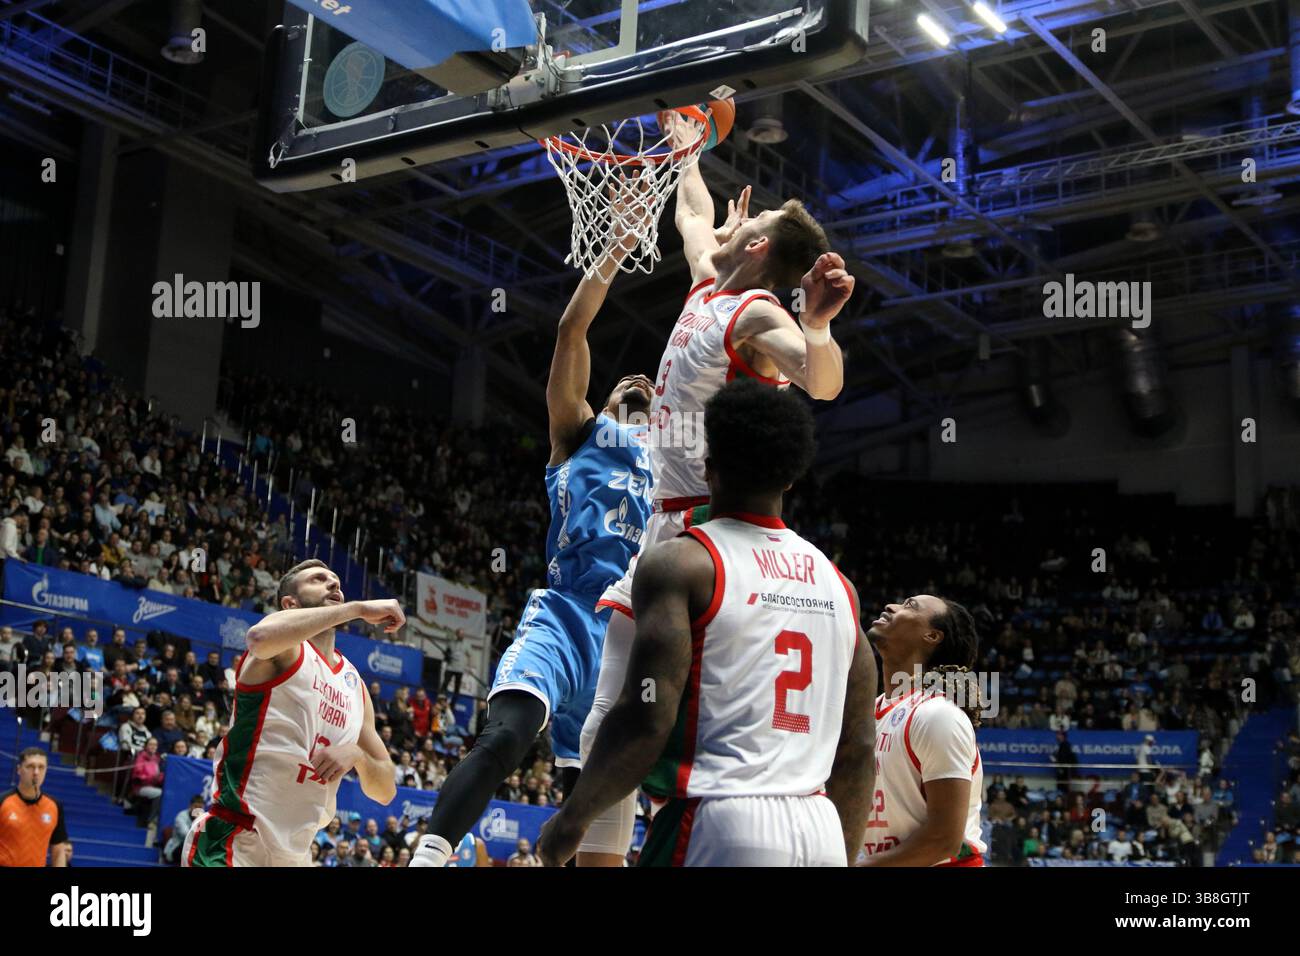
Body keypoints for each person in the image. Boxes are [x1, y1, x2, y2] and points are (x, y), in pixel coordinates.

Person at [576, 119, 855, 865]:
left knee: (649, 721)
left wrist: (819, 328)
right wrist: (687, 145)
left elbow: (819, 382)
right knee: (606, 719)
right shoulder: (707, 283)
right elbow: (692, 214)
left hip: (714, 533)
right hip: (662, 527)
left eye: (753, 219)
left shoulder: (756, 313)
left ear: (759, 248)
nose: (738, 217)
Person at [540, 381, 875, 866]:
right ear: (789, 480)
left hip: (721, 820)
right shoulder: (840, 587)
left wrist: (572, 818)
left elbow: (646, 714)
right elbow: (860, 744)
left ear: (708, 469)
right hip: (819, 827)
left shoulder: (683, 563)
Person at [409, 207, 655, 869]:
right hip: (567, 614)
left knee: (591, 806)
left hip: (626, 642)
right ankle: (429, 858)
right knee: (506, 736)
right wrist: (615, 250)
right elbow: (572, 328)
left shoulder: (672, 472)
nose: (640, 384)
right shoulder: (576, 433)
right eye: (626, 385)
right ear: (602, 405)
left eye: (652, 391)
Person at [182, 560, 401, 866]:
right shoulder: (284, 651)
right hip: (236, 841)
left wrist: (358, 756)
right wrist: (357, 609)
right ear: (290, 603)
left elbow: (385, 790)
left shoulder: (355, 686)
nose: (333, 584)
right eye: (319, 579)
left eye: (336, 579)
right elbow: (258, 638)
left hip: (297, 855)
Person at [857, 589, 988, 867]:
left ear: (932, 636)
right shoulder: (867, 712)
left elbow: (943, 839)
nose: (891, 606)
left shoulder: (937, 715)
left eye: (910, 605)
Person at [0, 748, 71, 866]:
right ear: (19, 769)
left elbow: (58, 851)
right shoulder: (3, 802)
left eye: (41, 767)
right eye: (30, 766)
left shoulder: (54, 806)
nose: (36, 772)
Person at [164, 795, 205, 865]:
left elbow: (204, 838)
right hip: (176, 849)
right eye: (195, 807)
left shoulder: (203, 818)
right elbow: (187, 835)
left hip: (193, 851)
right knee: (188, 845)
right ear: (190, 806)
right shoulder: (181, 817)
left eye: (200, 808)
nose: (197, 810)